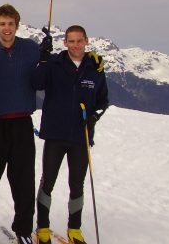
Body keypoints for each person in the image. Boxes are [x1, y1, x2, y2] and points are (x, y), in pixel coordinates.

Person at [32, 26, 108, 244]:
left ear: (86, 41)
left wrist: (94, 116)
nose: (76, 45)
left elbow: (103, 101)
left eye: (79, 41)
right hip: (55, 133)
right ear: (64, 42)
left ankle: (74, 229)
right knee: (48, 181)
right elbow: (37, 83)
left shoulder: (95, 67)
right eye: (71, 41)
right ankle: (42, 228)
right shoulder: (55, 63)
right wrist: (43, 58)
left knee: (77, 184)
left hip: (80, 136)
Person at [0, 4, 39, 244]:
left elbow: (52, 69)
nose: (7, 28)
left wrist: (48, 54)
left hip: (22, 123)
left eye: (11, 24)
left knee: (24, 180)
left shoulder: (30, 49)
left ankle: (23, 229)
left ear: (17, 25)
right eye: (2, 24)